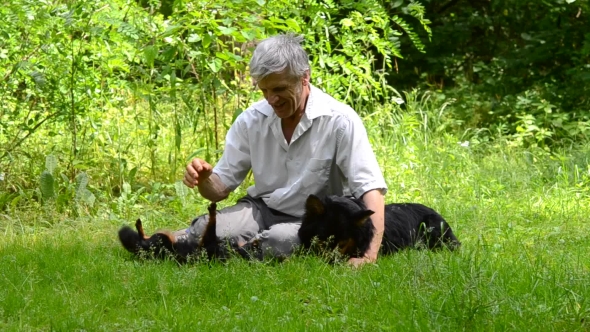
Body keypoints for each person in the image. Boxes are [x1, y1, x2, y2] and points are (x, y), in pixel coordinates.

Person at [179, 33, 387, 267]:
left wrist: (368, 257)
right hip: (262, 208)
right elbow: (218, 190)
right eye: (264, 90)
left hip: (318, 220)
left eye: (279, 89)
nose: (271, 99)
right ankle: (190, 243)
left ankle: (219, 251)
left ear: (304, 77)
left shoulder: (340, 121)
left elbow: (371, 189)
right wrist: (205, 178)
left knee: (279, 240)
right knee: (204, 230)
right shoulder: (251, 120)